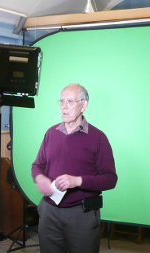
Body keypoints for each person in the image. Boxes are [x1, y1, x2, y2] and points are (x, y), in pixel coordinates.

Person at [31, 83, 118, 253]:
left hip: (81, 214)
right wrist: (40, 178)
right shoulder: (51, 133)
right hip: (49, 211)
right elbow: (37, 165)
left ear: (83, 105)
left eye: (70, 101)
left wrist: (77, 181)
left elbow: (110, 179)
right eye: (61, 101)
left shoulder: (98, 138)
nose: (64, 106)